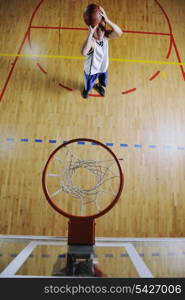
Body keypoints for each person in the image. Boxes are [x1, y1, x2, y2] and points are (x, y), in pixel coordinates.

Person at [81, 6, 123, 99]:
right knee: (88, 87)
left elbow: (119, 33)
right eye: (97, 30)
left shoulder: (105, 37)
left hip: (103, 68)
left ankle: (99, 86)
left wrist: (107, 20)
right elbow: (83, 52)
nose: (100, 32)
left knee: (103, 82)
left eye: (102, 29)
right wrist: (90, 34)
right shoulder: (91, 41)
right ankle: (86, 90)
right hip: (91, 71)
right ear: (92, 29)